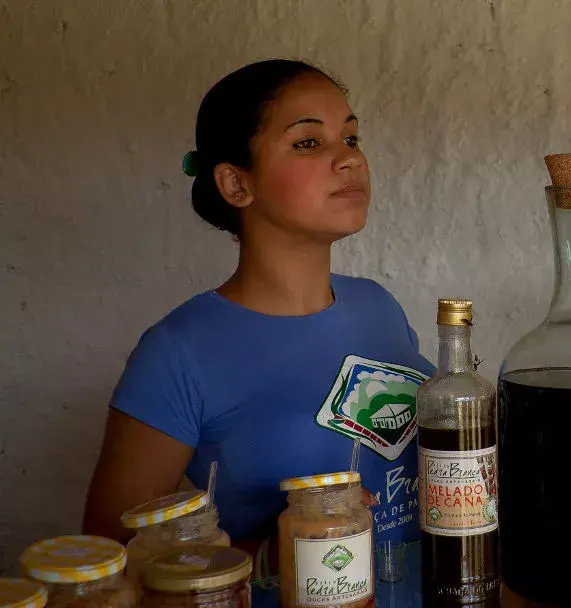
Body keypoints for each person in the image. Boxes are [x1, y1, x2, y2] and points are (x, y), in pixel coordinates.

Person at [82, 60, 433, 572]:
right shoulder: (178, 352)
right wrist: (274, 554)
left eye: (352, 139)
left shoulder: (379, 306)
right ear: (235, 184)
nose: (349, 161)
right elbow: (111, 557)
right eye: (309, 143)